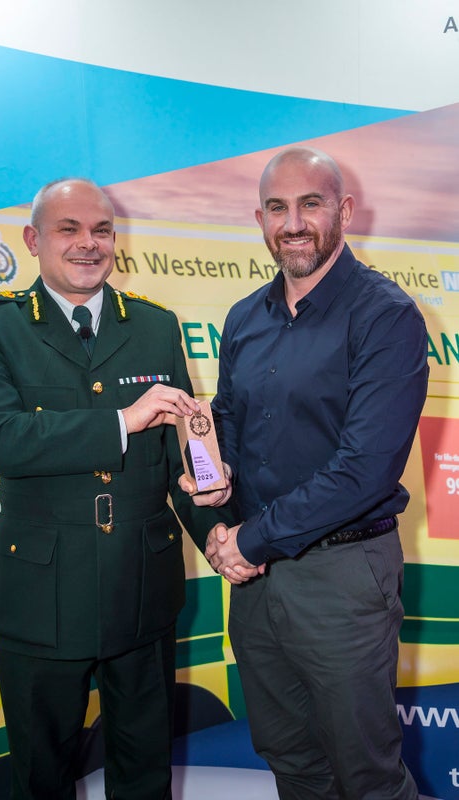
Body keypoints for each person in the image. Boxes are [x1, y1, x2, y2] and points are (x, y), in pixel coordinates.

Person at [0, 178, 231, 800]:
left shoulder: (156, 326)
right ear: (33, 240)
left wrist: (217, 528)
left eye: (101, 230)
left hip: (142, 587)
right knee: (41, 778)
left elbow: (181, 454)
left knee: (144, 776)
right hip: (40, 594)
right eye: (69, 229)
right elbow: (2, 439)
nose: (89, 243)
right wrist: (122, 421)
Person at [193, 147, 428, 799]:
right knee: (289, 759)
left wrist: (249, 540)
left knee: (367, 775)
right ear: (260, 220)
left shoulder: (386, 316)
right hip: (255, 582)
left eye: (310, 204)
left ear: (344, 211)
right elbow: (227, 421)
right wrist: (212, 485)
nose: (292, 223)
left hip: (342, 577)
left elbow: (365, 469)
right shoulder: (243, 317)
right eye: (277, 208)